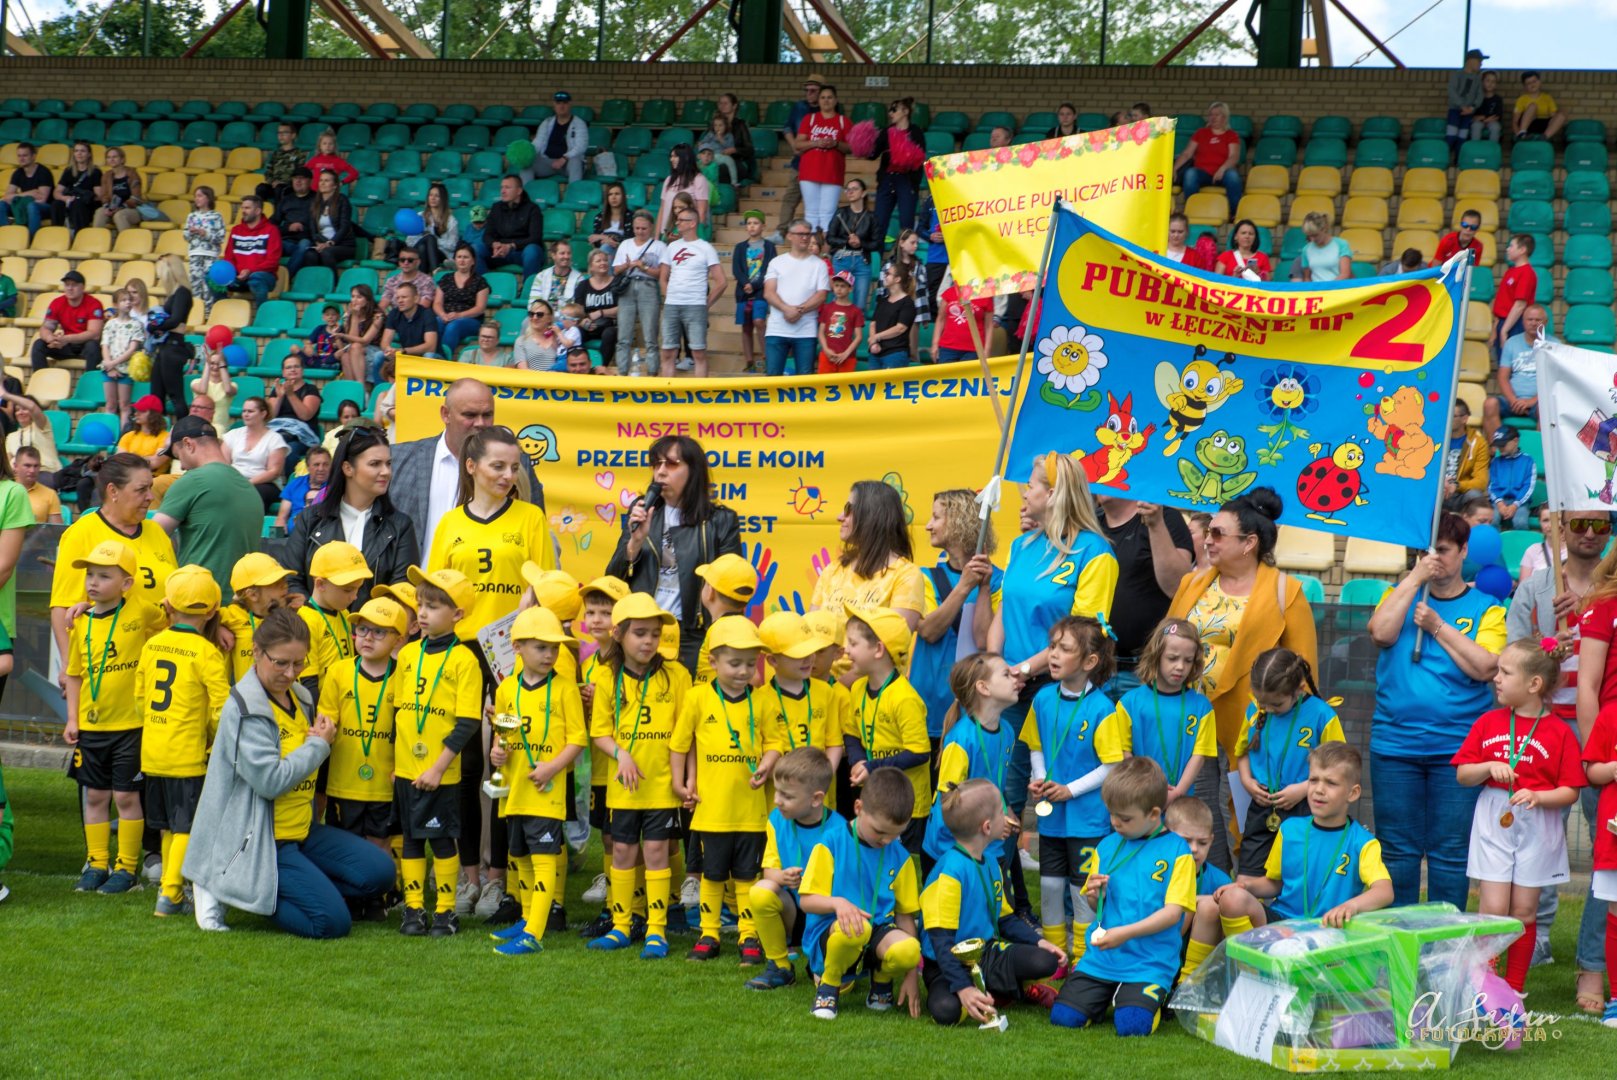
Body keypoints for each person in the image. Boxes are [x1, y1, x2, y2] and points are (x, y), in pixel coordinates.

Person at [183, 607, 394, 936]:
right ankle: (232, 884)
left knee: (380, 872)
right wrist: (318, 745)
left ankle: (271, 884)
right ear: (256, 651)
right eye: (280, 662)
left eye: (299, 663)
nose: (290, 673)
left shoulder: (302, 697)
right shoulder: (245, 707)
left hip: (302, 831)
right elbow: (270, 782)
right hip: (262, 840)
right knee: (332, 923)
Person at [1167, 488, 1316, 871]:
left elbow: (1305, 675)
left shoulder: (1286, 592)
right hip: (1189, 721)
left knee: (1243, 818)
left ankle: (1245, 891)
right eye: (1208, 532)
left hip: (1253, 729)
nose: (1207, 540)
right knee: (1195, 813)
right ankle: (1209, 887)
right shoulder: (1192, 584)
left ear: (1249, 543)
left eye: (1218, 533)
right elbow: (1166, 640)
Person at [1368, 512, 1505, 909]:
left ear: (1463, 551)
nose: (1433, 560)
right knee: (1397, 852)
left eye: (1442, 551)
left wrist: (1437, 626)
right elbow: (1380, 633)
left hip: (1458, 750)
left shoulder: (1487, 608)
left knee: (1450, 853)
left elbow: (1485, 667)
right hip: (1395, 746)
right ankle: (1398, 938)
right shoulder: (1400, 595)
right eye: (1424, 553)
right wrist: (1414, 579)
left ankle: (1446, 942)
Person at [1455, 638, 1585, 992]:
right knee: (1493, 908)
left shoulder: (1560, 732)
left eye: (1505, 672)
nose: (1496, 678)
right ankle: (1484, 988)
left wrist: (1539, 796)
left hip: (1537, 823)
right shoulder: (1488, 722)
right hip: (1494, 818)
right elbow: (1463, 774)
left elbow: (1570, 790)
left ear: (1534, 684)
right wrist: (1488, 767)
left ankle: (1513, 991)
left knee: (1525, 912)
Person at [1049, 758, 1196, 1035]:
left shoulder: (1178, 851)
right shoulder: (1106, 846)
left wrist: (1124, 934)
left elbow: (1172, 914)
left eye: (1125, 818)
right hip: (1103, 956)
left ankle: (1141, 995)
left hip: (1150, 962)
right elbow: (1096, 905)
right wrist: (1096, 896)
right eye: (1111, 814)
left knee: (1132, 1025)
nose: (1115, 823)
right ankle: (1110, 993)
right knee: (1064, 1017)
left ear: (1154, 814)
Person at [1208, 742, 1392, 962]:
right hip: (1283, 923)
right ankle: (1247, 967)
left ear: (1352, 793)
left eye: (1331, 783)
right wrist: (1246, 886)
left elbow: (1384, 891)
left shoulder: (1362, 843)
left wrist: (1351, 906)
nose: (1319, 789)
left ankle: (1277, 965)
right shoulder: (1289, 829)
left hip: (1328, 930)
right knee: (1233, 899)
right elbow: (1276, 883)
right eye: (1313, 780)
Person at [586, 593, 692, 955]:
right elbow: (600, 732)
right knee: (622, 851)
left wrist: (684, 779)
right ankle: (621, 925)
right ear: (618, 634)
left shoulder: (676, 675)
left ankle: (656, 930)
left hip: (661, 785)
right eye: (640, 633)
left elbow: (686, 734)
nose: (649, 641)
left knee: (657, 850)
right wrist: (622, 755)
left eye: (655, 634)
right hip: (624, 788)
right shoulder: (606, 677)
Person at [671, 617, 781, 962]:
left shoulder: (762, 701)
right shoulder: (698, 698)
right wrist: (679, 783)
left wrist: (767, 764)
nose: (743, 671)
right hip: (711, 809)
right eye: (734, 663)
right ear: (713, 662)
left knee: (747, 876)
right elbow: (679, 743)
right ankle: (709, 933)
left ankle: (749, 935)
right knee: (712, 875)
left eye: (750, 663)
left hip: (750, 811)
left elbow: (775, 743)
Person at [63, 540, 166, 895]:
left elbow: (173, 615)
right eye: (90, 575)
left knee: (125, 798)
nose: (93, 582)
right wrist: (72, 719)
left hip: (131, 727)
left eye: (104, 576)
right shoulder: (81, 622)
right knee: (95, 797)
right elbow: (74, 674)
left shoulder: (141, 611)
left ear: (126, 583)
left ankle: (126, 868)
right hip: (92, 728)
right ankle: (96, 864)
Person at [484, 605, 587, 955]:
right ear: (517, 648)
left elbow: (578, 740)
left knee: (543, 859)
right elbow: (505, 734)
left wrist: (552, 768)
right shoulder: (506, 689)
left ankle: (534, 933)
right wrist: (498, 752)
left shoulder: (565, 689)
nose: (550, 655)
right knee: (521, 857)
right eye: (541, 647)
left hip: (546, 790)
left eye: (554, 648)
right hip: (515, 789)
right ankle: (527, 917)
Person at [388, 566, 483, 937]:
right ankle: (414, 909)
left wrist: (439, 768)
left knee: (441, 839)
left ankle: (446, 911)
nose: (423, 613)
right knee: (411, 839)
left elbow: (467, 723)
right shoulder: (408, 655)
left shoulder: (464, 660)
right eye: (420, 605)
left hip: (439, 772)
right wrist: (396, 763)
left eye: (433, 606)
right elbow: (400, 713)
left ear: (457, 614)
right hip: (407, 768)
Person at [1024, 616, 1126, 961]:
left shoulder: (1102, 708)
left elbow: (1111, 765)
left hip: (1087, 819)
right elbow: (1036, 745)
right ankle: (1055, 957)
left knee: (1081, 888)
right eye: (1052, 646)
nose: (1053, 654)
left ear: (1089, 661)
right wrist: (1040, 777)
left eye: (1064, 649)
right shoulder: (1042, 699)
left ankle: (1083, 957)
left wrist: (1070, 790)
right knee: (1050, 886)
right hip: (1052, 818)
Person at [921, 778, 1061, 1026]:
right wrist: (963, 988)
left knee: (1045, 960)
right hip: (944, 964)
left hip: (985, 954)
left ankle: (998, 989)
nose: (1007, 818)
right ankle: (988, 992)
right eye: (1001, 812)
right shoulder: (949, 873)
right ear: (987, 827)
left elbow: (1005, 919)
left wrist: (1039, 941)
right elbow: (941, 942)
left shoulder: (991, 863)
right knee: (946, 1010)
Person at [137, 565, 232, 917]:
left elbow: (140, 698)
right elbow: (221, 708)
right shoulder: (206, 652)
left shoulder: (152, 644)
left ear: (168, 606)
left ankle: (169, 888)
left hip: (152, 751)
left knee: (166, 825)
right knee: (186, 826)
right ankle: (171, 893)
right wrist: (215, 741)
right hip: (187, 754)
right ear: (211, 611)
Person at [606, 434, 742, 671]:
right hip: (645, 629)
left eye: (671, 464)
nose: (660, 472)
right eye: (656, 464)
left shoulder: (720, 520)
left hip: (694, 634)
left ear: (693, 471)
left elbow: (733, 587)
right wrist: (635, 542)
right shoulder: (643, 509)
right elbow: (613, 579)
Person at [801, 767, 923, 1025]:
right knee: (857, 929)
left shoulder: (901, 858)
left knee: (910, 949)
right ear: (858, 808)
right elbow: (806, 901)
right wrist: (837, 903)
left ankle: (881, 981)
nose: (887, 840)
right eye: (880, 831)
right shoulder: (831, 843)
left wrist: (911, 972)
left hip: (876, 932)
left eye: (896, 834)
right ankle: (829, 985)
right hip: (834, 933)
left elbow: (904, 917)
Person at [49, 455, 177, 678]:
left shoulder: (157, 532)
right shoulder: (82, 533)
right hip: (110, 669)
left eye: (150, 488)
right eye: (141, 489)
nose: (150, 497)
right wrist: (69, 668)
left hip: (160, 665)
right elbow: (63, 606)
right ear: (113, 491)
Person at [428, 425, 556, 644]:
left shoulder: (532, 517)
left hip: (514, 645)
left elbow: (546, 588)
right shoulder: (450, 522)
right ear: (471, 466)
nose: (508, 476)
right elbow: (434, 596)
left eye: (514, 468)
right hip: (457, 645)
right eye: (498, 466)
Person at [389, 377, 543, 557]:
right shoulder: (398, 459)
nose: (480, 423)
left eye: (487, 415)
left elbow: (537, 538)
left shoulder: (519, 466)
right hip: (416, 575)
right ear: (446, 414)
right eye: (470, 415)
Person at [1230, 648, 1344, 877]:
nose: (1268, 709)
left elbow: (1339, 766)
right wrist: (1246, 780)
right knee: (1247, 878)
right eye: (1263, 703)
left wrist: (1304, 789)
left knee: (1298, 875)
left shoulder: (1322, 715)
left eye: (1276, 704)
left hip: (1303, 806)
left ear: (1299, 689)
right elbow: (1241, 752)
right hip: (1261, 804)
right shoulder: (1255, 710)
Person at [745, 746, 838, 989]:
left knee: (835, 985)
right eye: (777, 792)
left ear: (816, 799)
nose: (777, 800)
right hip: (794, 912)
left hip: (826, 917)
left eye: (787, 796)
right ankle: (780, 966)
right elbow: (769, 872)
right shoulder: (777, 820)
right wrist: (783, 877)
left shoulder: (840, 829)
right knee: (761, 890)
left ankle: (826, 958)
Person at [912, 490, 1000, 745]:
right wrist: (964, 586)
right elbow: (928, 631)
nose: (928, 526)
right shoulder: (923, 577)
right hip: (926, 705)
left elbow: (984, 640)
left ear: (959, 521)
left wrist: (983, 587)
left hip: (975, 706)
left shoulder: (999, 580)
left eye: (936, 517)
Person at [842, 607, 932, 855]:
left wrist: (872, 767)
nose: (846, 650)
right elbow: (851, 733)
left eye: (853, 643)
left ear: (878, 649)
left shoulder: (904, 698)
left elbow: (919, 752)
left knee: (903, 864)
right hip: (874, 797)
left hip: (907, 805)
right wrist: (858, 760)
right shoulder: (857, 688)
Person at [921, 652, 1019, 874]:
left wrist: (1007, 810)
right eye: (1006, 674)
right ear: (983, 688)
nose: (1015, 677)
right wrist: (992, 821)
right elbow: (949, 800)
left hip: (987, 842)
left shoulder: (1007, 732)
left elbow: (995, 782)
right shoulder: (961, 739)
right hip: (949, 848)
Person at [153, 415, 263, 600]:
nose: (182, 466)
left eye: (179, 457)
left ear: (188, 444)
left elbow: (152, 537)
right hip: (241, 604)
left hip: (198, 601)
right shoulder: (248, 486)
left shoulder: (192, 480)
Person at [1098, 498, 1194, 697]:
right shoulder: (1089, 521)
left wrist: (1156, 524)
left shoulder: (1165, 517)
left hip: (1144, 670)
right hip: (1094, 666)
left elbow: (1178, 588)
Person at [1115, 618, 1216, 805]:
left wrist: (1177, 793)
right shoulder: (1129, 703)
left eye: (1188, 660)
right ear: (1156, 655)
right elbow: (1124, 751)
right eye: (1172, 658)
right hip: (1139, 800)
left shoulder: (1202, 707)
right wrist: (1144, 789)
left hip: (1181, 804)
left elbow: (1199, 756)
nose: (1180, 667)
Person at [1580, 700, 1617, 1022]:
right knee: (1615, 914)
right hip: (1614, 832)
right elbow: (1592, 772)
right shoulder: (1611, 714)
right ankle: (1616, 998)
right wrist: (1613, 768)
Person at [658, 208, 725, 378]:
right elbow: (662, 278)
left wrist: (706, 304)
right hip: (672, 305)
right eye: (677, 219)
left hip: (695, 305)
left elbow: (721, 282)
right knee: (668, 352)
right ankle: (667, 392)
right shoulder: (671, 247)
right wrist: (669, 297)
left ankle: (700, 392)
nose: (677, 222)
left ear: (692, 223)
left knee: (698, 353)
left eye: (681, 220)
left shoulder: (706, 248)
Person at [760, 218, 830, 377]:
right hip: (777, 329)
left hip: (806, 331)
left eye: (807, 234)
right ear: (789, 236)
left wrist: (798, 310)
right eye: (800, 234)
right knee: (772, 377)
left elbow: (821, 295)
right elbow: (769, 292)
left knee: (805, 381)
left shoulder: (819, 265)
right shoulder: (776, 262)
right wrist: (786, 309)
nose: (805, 237)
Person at [870, 98, 926, 258]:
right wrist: (864, 143)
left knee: (906, 224)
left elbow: (919, 158)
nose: (890, 113)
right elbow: (872, 154)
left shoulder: (916, 132)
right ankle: (876, 262)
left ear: (905, 112)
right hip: (887, 180)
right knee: (879, 223)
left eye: (895, 109)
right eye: (890, 109)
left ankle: (905, 261)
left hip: (906, 181)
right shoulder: (886, 131)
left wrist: (905, 155)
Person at [611, 210, 664, 372]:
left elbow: (662, 273)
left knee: (650, 336)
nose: (640, 232)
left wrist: (643, 267)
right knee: (623, 336)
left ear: (651, 228)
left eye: (644, 228)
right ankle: (622, 372)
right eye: (637, 228)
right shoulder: (625, 244)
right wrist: (628, 265)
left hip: (648, 286)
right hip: (627, 286)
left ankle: (653, 372)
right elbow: (616, 270)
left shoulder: (659, 246)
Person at [796, 85, 851, 232]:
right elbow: (798, 144)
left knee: (828, 214)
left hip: (832, 173)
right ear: (818, 100)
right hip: (809, 172)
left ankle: (827, 246)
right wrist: (815, 143)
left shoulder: (843, 121)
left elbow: (851, 147)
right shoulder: (810, 119)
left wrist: (835, 144)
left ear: (836, 100)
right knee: (811, 213)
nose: (826, 101)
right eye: (823, 97)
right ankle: (812, 245)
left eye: (830, 97)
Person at [773, 75, 823, 235]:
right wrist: (794, 145)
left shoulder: (828, 111)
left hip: (819, 162)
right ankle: (781, 232)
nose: (809, 93)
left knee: (816, 201)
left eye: (813, 90)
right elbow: (787, 128)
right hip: (799, 160)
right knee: (790, 197)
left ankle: (816, 235)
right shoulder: (799, 106)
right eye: (807, 90)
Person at [148, 255, 197, 420]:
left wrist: (155, 326)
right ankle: (158, 429)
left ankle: (184, 428)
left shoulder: (182, 293)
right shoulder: (175, 294)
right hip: (166, 347)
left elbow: (176, 319)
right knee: (156, 395)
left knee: (176, 395)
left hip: (173, 347)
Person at [220, 397, 288, 510]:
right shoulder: (233, 435)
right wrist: (234, 482)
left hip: (265, 484)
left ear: (263, 414)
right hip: (235, 481)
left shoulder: (275, 439)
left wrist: (248, 483)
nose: (246, 414)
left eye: (250, 411)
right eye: (244, 411)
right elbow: (223, 465)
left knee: (253, 493)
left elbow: (274, 472)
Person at [30, 270, 104, 372]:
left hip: (85, 345)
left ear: (83, 287)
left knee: (93, 346)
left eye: (74, 285)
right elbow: (46, 327)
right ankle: (41, 378)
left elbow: (94, 334)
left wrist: (67, 338)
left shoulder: (94, 303)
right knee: (39, 345)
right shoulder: (57, 303)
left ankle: (90, 380)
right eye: (67, 285)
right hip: (65, 345)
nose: (70, 288)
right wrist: (50, 338)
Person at [1174, 101, 1243, 204]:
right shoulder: (1200, 133)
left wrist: (1222, 169)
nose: (1213, 118)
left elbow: (1234, 157)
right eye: (1211, 115)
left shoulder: (1231, 135)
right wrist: (1174, 169)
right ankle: (1192, 207)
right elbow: (1187, 154)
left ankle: (1235, 212)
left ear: (1224, 117)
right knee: (1190, 174)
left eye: (1217, 115)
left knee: (1233, 176)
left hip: (1223, 173)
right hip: (1202, 173)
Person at [479, 175, 543, 278]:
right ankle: (483, 285)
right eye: (502, 187)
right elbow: (487, 235)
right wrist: (494, 244)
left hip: (521, 251)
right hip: (499, 252)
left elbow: (535, 238)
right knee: (476, 249)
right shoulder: (496, 207)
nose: (502, 191)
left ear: (519, 191)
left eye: (507, 187)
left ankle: (528, 287)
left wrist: (511, 246)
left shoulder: (532, 209)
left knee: (532, 251)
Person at [828, 179, 877, 310]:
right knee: (838, 302)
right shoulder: (840, 212)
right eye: (848, 189)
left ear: (863, 193)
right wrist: (847, 242)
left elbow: (876, 243)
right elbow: (829, 238)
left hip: (862, 260)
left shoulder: (872, 216)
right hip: (841, 258)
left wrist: (861, 243)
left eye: (854, 189)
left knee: (860, 305)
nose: (850, 192)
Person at [98, 288, 141, 427]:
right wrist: (109, 366)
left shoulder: (136, 325)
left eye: (129, 300)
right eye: (123, 300)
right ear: (116, 304)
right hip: (108, 369)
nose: (127, 303)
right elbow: (105, 345)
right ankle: (109, 432)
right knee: (110, 404)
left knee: (124, 405)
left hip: (125, 370)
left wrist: (113, 363)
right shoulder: (110, 324)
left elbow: (132, 349)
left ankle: (123, 434)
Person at [527, 91, 589, 183]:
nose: (561, 106)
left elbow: (581, 147)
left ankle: (574, 191)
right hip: (548, 162)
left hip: (567, 163)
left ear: (570, 104)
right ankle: (525, 191)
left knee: (576, 160)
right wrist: (527, 154)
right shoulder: (547, 122)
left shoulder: (579, 123)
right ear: (554, 105)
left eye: (565, 103)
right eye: (558, 103)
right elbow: (538, 143)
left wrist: (564, 158)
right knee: (527, 163)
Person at [1493, 234, 1538, 357]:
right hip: (1504, 322)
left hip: (1514, 324)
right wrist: (1496, 328)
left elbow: (1520, 305)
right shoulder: (1511, 271)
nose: (1508, 249)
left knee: (1511, 362)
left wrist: (1504, 330)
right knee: (1502, 362)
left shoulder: (1527, 273)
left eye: (1511, 246)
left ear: (1522, 250)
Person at [932, 276, 993, 363]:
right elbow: (940, 319)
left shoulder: (985, 295)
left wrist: (987, 350)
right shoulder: (949, 292)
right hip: (948, 347)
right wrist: (935, 344)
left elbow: (989, 326)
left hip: (974, 348)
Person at [575, 249, 619, 367]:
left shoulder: (616, 283)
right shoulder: (583, 286)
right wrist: (583, 321)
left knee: (609, 334)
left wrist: (601, 312)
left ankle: (601, 368)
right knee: (576, 332)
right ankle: (579, 365)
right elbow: (578, 311)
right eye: (598, 261)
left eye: (605, 260)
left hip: (610, 325)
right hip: (589, 325)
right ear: (591, 266)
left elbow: (623, 308)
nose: (603, 263)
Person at [654, 144, 710, 237]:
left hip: (688, 234)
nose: (671, 159)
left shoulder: (699, 179)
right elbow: (662, 209)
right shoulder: (669, 179)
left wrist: (696, 236)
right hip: (667, 232)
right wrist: (656, 236)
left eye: (675, 156)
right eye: (671, 156)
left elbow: (702, 212)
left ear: (686, 158)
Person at [380, 282, 440, 366]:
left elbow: (430, 347)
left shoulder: (427, 314)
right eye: (398, 298)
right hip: (406, 355)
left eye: (404, 297)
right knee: (379, 356)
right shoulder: (394, 313)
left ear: (416, 298)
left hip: (433, 357)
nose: (400, 301)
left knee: (428, 355)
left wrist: (404, 351)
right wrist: (390, 350)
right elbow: (384, 343)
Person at [0, 142, 54, 235]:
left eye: (25, 155)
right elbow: (7, 197)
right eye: (19, 156)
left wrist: (18, 197)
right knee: (1, 205)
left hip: (45, 208)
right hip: (24, 204)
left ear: (34, 156)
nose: (21, 159)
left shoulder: (43, 172)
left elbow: (42, 199)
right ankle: (5, 235)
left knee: (31, 206)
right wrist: (28, 193)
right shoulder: (18, 172)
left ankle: (31, 238)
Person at [335, 283, 384, 386]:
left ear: (367, 300)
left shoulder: (378, 315)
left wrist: (343, 336)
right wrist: (354, 316)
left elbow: (365, 341)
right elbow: (352, 340)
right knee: (345, 356)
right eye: (353, 297)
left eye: (359, 297)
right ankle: (353, 389)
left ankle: (360, 386)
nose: (355, 300)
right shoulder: (349, 315)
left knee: (356, 346)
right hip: (355, 351)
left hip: (373, 351)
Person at [816, 271, 863, 375]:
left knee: (845, 385)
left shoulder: (856, 311)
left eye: (843, 286)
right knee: (824, 383)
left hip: (847, 357)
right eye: (836, 285)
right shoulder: (827, 308)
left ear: (850, 289)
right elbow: (821, 332)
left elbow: (859, 337)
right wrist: (826, 350)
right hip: (827, 355)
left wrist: (846, 353)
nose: (839, 289)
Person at [405, 182, 458, 273]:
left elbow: (453, 245)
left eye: (437, 196)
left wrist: (434, 241)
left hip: (441, 255)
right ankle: (435, 271)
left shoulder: (451, 220)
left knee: (428, 241)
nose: (433, 198)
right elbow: (409, 242)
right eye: (430, 195)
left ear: (442, 199)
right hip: (418, 252)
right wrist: (425, 239)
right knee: (424, 244)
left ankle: (422, 277)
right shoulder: (420, 216)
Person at [1488, 428, 1536, 530]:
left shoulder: (1528, 461)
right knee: (1492, 520)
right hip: (1499, 501)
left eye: (1503, 444)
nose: (1500, 448)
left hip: (1520, 502)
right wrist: (1499, 503)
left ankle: (1521, 541)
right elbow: (1492, 486)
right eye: (1498, 445)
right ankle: (1494, 540)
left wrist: (1515, 505)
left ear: (1515, 441)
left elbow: (1528, 487)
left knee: (1520, 522)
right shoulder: (1495, 462)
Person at [1443, 400, 1490, 504]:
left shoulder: (1478, 443)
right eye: (1445, 414)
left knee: (1475, 495)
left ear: (1464, 418)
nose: (1447, 418)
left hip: (1460, 492)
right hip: (1437, 491)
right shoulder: (1435, 439)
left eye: (1452, 415)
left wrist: (1457, 485)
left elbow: (1481, 482)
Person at [275, 445, 329, 531]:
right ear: (308, 467)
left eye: (325, 464)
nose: (321, 468)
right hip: (294, 534)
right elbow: (282, 517)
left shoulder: (335, 486)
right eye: (316, 465)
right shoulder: (295, 484)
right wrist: (280, 535)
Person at [273, 167, 316, 274]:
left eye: (302, 178)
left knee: (304, 245)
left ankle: (287, 276)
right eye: (295, 178)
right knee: (268, 243)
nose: (298, 181)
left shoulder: (317, 199)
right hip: (286, 241)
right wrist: (288, 228)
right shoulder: (286, 200)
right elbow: (272, 224)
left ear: (310, 181)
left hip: (306, 240)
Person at [92, 145, 145, 233]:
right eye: (109, 157)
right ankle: (96, 239)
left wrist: (120, 207)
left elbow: (135, 198)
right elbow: (104, 196)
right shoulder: (106, 175)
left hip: (132, 209)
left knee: (119, 215)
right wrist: (107, 207)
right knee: (100, 212)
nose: (111, 159)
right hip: (113, 208)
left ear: (122, 159)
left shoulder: (132, 174)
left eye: (115, 157)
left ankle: (125, 240)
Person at [1446, 48, 1488, 152]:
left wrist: (1472, 107)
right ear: (1470, 61)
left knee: (1463, 136)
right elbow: (1452, 91)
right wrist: (1462, 106)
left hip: (1469, 112)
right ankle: (1445, 156)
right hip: (1455, 111)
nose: (1481, 64)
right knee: (1451, 135)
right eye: (1479, 61)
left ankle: (1458, 158)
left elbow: (1480, 95)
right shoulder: (1457, 75)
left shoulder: (1477, 79)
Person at [54, 140, 101, 232]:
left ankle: (79, 234)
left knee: (77, 204)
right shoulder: (68, 171)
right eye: (76, 151)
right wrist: (64, 198)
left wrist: (82, 198)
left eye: (82, 151)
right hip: (71, 201)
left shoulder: (95, 172)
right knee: (56, 204)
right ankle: (57, 233)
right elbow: (57, 192)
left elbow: (98, 196)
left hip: (87, 204)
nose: (79, 153)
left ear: (89, 154)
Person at [267, 354, 322, 427]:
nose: (293, 370)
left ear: (302, 370)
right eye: (288, 367)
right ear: (283, 373)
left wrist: (291, 394)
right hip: (278, 428)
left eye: (296, 366)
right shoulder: (278, 389)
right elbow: (270, 417)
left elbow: (305, 416)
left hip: (302, 430)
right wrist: (279, 397)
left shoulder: (311, 389)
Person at [1514, 70, 1568, 141]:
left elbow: (1553, 117)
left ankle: (1544, 138)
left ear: (1539, 82)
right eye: (1529, 83)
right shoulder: (1521, 99)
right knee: (1533, 106)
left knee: (1562, 114)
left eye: (1534, 81)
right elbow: (1515, 122)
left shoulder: (1547, 98)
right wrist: (1518, 134)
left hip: (1544, 126)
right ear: (1525, 86)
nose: (1532, 85)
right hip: (1529, 126)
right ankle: (1523, 134)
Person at [528, 239, 581, 309]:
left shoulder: (579, 279)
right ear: (553, 255)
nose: (566, 256)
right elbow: (533, 303)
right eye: (562, 253)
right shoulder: (541, 276)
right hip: (542, 314)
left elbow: (578, 308)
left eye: (569, 253)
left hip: (566, 315)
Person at [511, 299, 562, 372]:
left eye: (540, 314)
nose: (535, 317)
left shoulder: (559, 339)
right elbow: (523, 371)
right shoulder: (521, 341)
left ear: (549, 318)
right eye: (531, 314)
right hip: (531, 379)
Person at [381, 247, 437, 312]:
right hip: (395, 315)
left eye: (410, 260)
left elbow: (423, 307)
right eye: (402, 260)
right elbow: (384, 303)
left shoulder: (427, 281)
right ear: (399, 262)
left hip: (417, 316)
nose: (406, 263)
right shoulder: (392, 280)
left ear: (418, 262)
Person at [13, 447, 59, 524]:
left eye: (36, 466)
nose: (32, 470)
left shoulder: (50, 494)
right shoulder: (3, 490)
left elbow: (56, 529)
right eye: (27, 466)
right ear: (15, 466)